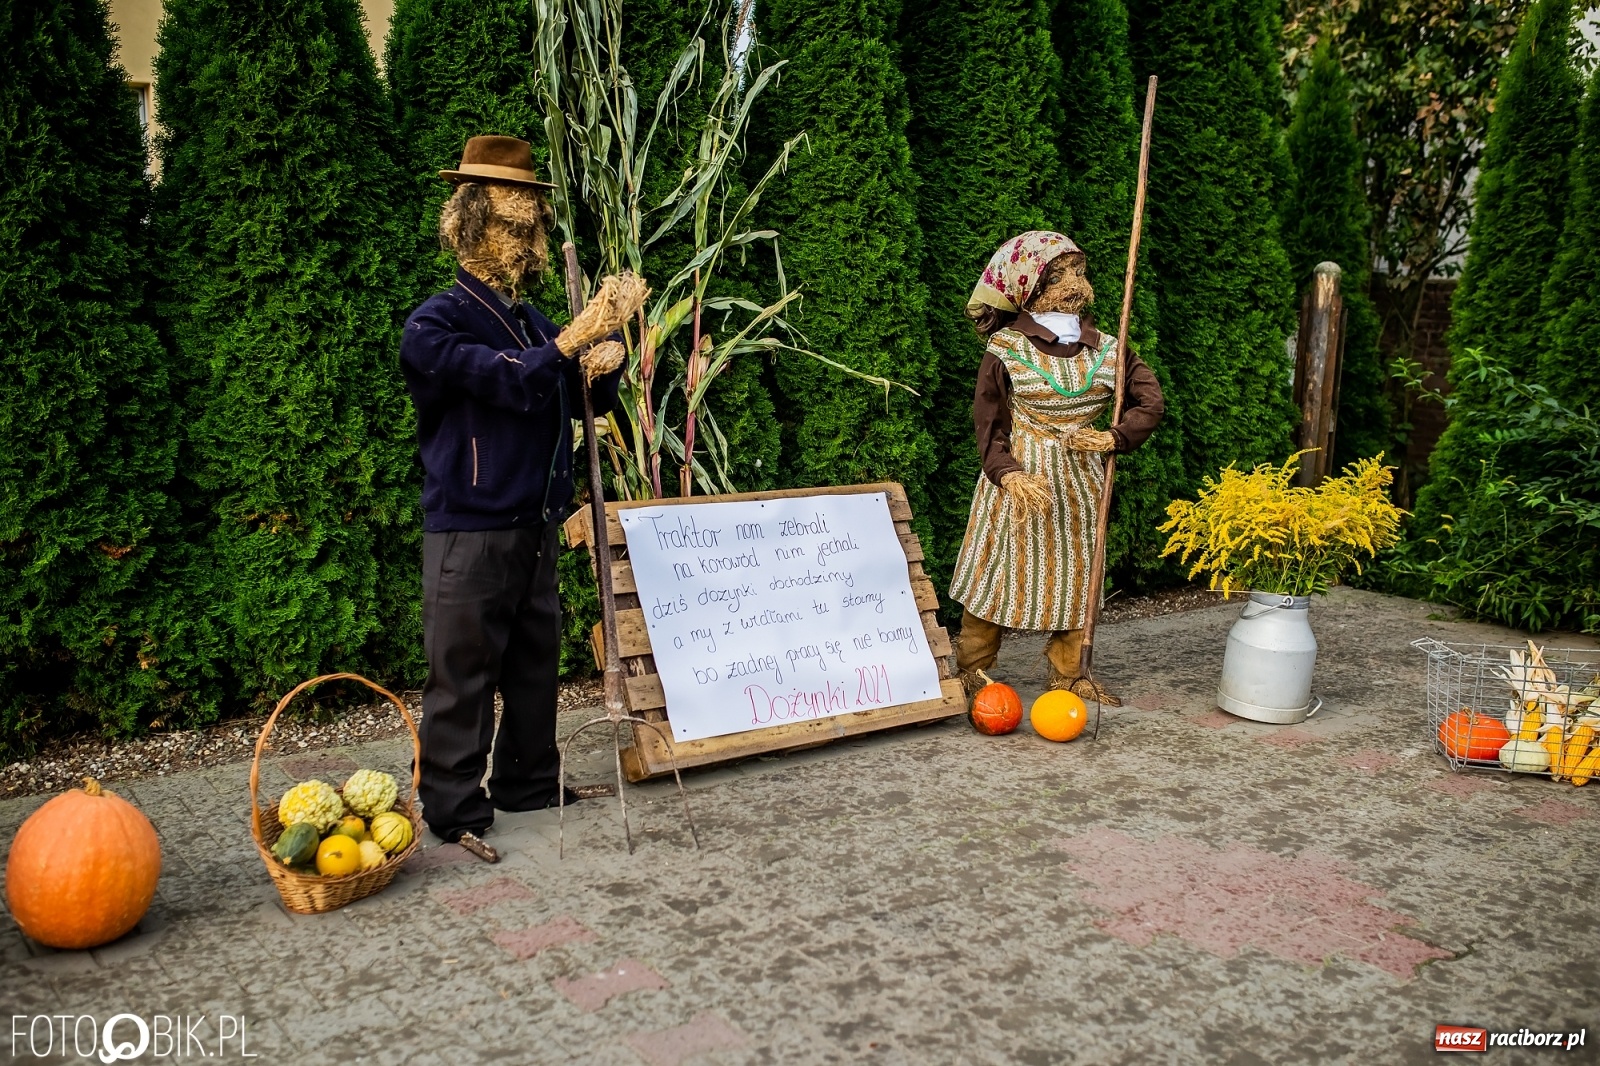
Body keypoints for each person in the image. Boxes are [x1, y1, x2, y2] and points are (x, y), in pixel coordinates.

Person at [399, 136, 646, 859]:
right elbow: (506, 379)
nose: (524, 238)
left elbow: (581, 400)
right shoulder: (435, 322)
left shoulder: (532, 320)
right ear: (471, 223)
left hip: (535, 520)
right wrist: (575, 340)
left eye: (530, 225)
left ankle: (528, 780)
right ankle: (451, 803)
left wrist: (609, 362)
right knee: (464, 670)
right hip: (469, 527)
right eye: (511, 225)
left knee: (535, 661)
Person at [947, 231, 1164, 706]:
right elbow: (990, 426)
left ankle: (1069, 674)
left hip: (1081, 487)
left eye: (1079, 272)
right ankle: (972, 670)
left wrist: (1114, 436)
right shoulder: (1006, 349)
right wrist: (1008, 474)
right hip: (1020, 485)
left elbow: (1150, 401)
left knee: (1077, 575)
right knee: (998, 573)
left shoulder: (1109, 348)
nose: (1074, 283)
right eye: (1059, 274)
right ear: (1029, 286)